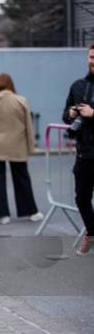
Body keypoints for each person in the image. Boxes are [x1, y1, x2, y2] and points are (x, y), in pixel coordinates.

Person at [0, 74, 43, 225]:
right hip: (17, 145)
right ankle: (31, 211)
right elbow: (29, 126)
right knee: (22, 177)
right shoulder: (21, 100)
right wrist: (31, 146)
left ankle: (2, 215)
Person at [63, 44, 94, 255]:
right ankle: (91, 232)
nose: (93, 61)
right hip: (85, 152)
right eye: (91, 57)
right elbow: (64, 115)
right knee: (81, 197)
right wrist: (71, 114)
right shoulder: (77, 85)